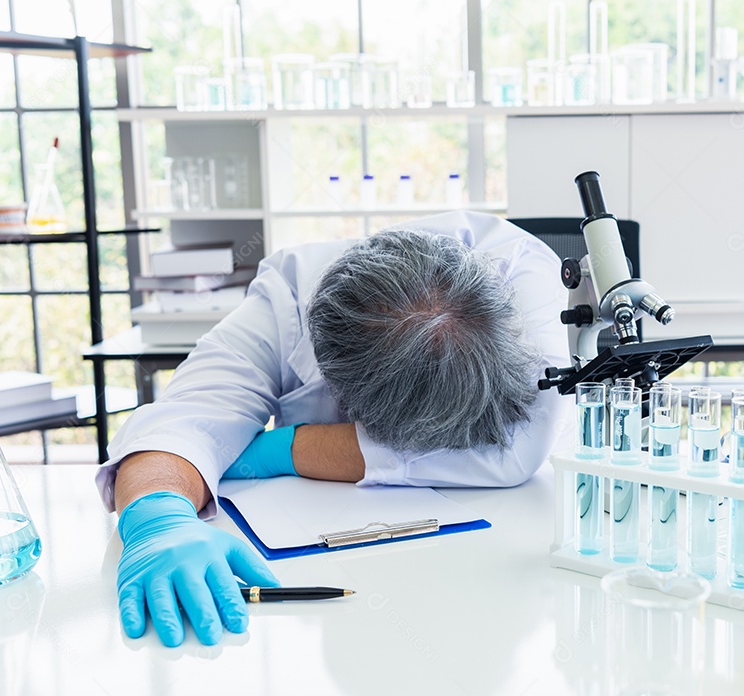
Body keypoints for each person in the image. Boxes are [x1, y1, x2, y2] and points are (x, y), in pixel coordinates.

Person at [96, 211, 570, 647]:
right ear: (340, 390)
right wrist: (158, 514)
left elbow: (519, 449)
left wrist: (284, 449)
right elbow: (188, 419)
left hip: (486, 564)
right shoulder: (285, 303)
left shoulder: (523, 279)